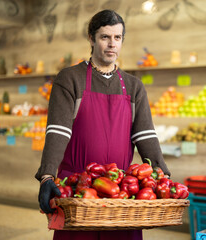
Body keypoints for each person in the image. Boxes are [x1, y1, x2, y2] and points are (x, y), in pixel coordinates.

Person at [35, 9, 171, 240]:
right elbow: (58, 131)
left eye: (117, 38)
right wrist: (47, 175)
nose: (112, 44)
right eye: (105, 37)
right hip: (78, 189)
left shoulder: (134, 86)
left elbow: (146, 135)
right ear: (91, 38)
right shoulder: (70, 79)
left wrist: (162, 173)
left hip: (121, 190)